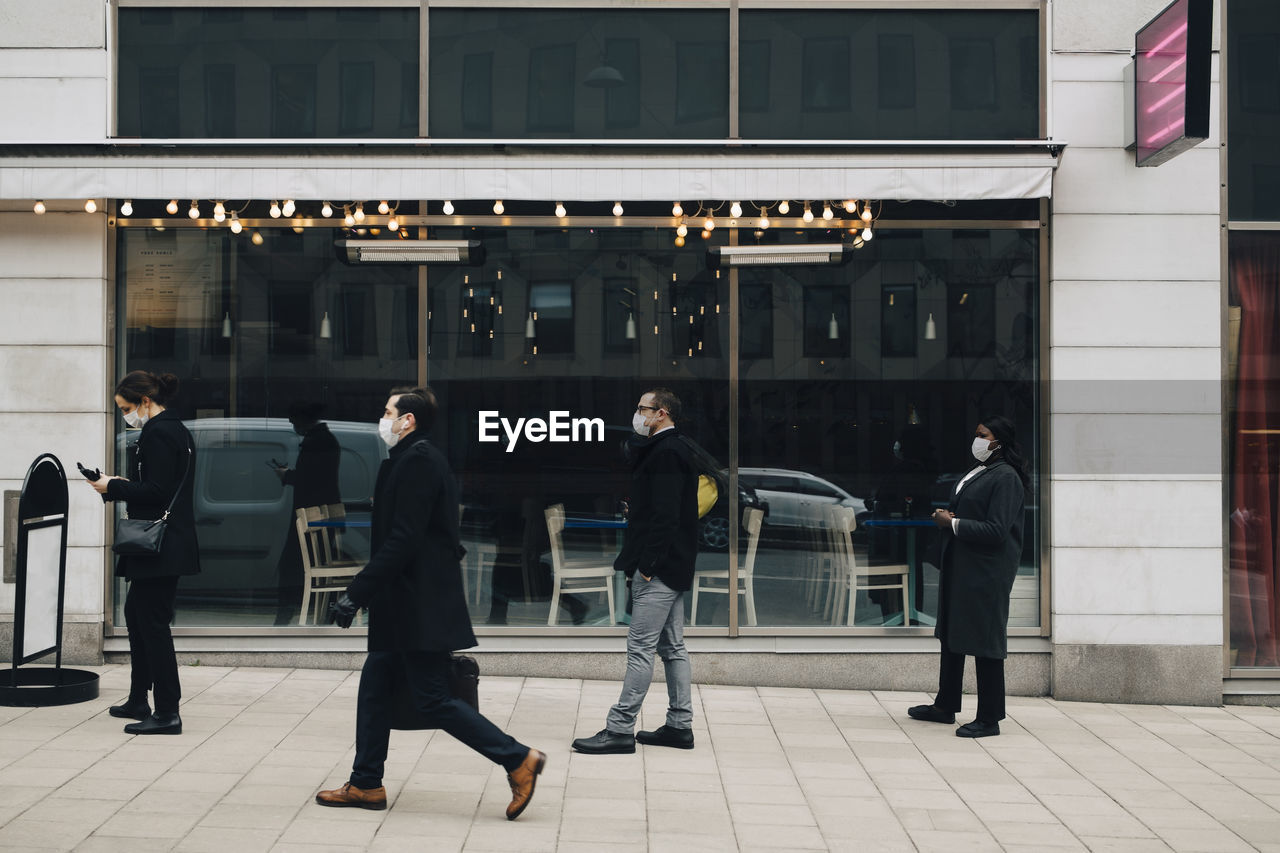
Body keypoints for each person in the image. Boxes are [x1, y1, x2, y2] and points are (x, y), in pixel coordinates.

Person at [316, 386, 545, 819]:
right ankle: (366, 783)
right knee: (376, 689)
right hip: (405, 603)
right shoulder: (408, 459)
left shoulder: (418, 462)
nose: (381, 418)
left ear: (408, 421)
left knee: (433, 698)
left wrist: (356, 592)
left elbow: (404, 537)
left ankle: (516, 758)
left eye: (387, 412)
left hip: (416, 606)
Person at [572, 388, 699, 754]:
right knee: (672, 648)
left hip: (659, 569)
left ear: (660, 413)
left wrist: (647, 566)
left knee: (640, 649)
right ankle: (679, 725)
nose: (636, 414)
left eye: (641, 409)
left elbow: (667, 515)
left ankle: (620, 728)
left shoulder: (668, 451)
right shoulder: (672, 448)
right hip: (671, 565)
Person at [88, 370, 199, 735]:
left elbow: (155, 491)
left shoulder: (159, 432)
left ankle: (167, 711)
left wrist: (113, 485)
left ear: (145, 402)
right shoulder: (174, 429)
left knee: (150, 623)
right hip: (163, 542)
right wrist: (115, 485)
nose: (125, 416)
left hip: (159, 544)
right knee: (137, 614)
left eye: (125, 408)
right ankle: (139, 698)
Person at [908, 415, 1029, 738]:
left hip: (986, 573)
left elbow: (997, 529)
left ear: (998, 441)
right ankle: (944, 706)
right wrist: (951, 518)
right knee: (952, 636)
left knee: (985, 642)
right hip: (963, 567)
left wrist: (952, 524)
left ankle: (990, 718)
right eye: (976, 433)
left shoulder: (1006, 478)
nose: (976, 440)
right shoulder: (983, 472)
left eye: (982, 434)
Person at [272, 401, 342, 625]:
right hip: (321, 513)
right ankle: (321, 615)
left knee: (291, 567)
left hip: (312, 514)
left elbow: (309, 479)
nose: (292, 424)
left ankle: (285, 616)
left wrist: (286, 476)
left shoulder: (316, 443)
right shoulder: (325, 440)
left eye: (294, 419)